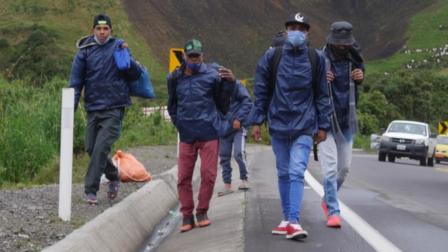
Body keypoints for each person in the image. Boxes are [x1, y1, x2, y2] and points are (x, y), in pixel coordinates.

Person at [251, 12, 331, 241]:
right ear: (286, 30)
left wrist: (323, 125)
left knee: (296, 171)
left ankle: (294, 221)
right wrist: (257, 121)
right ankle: (286, 219)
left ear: (307, 32)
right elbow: (261, 91)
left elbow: (322, 95)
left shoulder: (316, 59)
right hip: (278, 123)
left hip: (304, 125)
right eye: (293, 27)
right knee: (284, 172)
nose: (297, 31)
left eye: (301, 28)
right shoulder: (271, 56)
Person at [167, 39, 236, 232]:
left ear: (202, 56)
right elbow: (172, 104)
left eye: (198, 56)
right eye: (191, 57)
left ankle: (202, 210)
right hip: (187, 134)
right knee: (183, 177)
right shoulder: (174, 78)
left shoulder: (213, 76)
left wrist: (230, 83)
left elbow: (222, 104)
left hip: (208, 132)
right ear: (185, 57)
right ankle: (187, 215)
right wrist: (178, 122)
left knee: (209, 174)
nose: (195, 60)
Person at [69, 14, 132, 205]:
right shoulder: (84, 51)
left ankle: (91, 191)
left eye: (106, 29)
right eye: (99, 29)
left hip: (114, 108)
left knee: (100, 148)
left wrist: (125, 56)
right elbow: (76, 81)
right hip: (93, 108)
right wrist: (69, 108)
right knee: (90, 147)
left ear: (111, 30)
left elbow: (134, 73)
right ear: (93, 30)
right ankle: (113, 175)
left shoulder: (119, 46)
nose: (102, 32)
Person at [318, 21, 364, 228]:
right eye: (340, 43)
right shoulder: (320, 59)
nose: (343, 46)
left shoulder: (355, 57)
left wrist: (360, 76)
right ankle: (333, 211)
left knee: (344, 169)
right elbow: (309, 86)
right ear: (332, 41)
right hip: (325, 121)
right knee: (329, 170)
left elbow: (361, 75)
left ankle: (328, 198)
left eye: (346, 43)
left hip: (346, 120)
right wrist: (319, 78)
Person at [217, 82, 253, 197]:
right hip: (223, 128)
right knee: (224, 157)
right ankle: (227, 184)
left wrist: (238, 118)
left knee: (238, 153)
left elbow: (248, 102)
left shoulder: (236, 86)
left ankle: (244, 179)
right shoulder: (214, 88)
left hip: (238, 127)